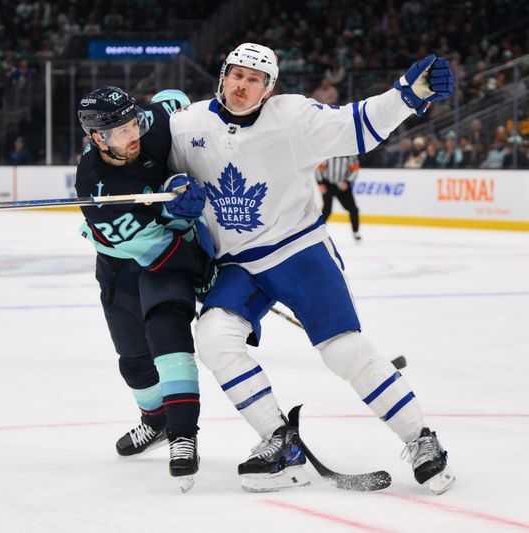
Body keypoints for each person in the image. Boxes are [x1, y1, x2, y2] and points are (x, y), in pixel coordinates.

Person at [167, 43, 456, 495]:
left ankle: (421, 439)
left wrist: (408, 93)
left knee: (345, 352)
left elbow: (357, 123)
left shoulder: (293, 118)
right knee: (213, 339)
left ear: (269, 89)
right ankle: (280, 444)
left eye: (255, 79)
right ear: (222, 75)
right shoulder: (186, 126)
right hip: (239, 264)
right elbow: (157, 173)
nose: (242, 85)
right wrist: (172, 190)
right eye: (236, 74)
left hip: (299, 251)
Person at [75, 86, 213, 489]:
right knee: (133, 358)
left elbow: (194, 118)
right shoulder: (95, 188)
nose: (132, 134)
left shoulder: (159, 120)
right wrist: (201, 268)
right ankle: (155, 422)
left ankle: (183, 434)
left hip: (172, 249)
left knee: (168, 338)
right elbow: (153, 247)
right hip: (125, 260)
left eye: (134, 123)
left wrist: (183, 192)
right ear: (98, 138)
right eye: (120, 132)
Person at [316, 155, 362, 241]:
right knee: (327, 210)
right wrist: (320, 183)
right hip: (328, 185)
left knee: (353, 209)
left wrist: (347, 182)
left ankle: (356, 232)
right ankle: (318, 232)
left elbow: (355, 168)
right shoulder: (329, 153)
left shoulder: (350, 155)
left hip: (343, 185)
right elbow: (319, 168)